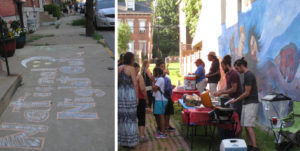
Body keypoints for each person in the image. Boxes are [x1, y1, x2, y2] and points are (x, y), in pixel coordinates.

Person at [230, 58, 260, 151]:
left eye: (237, 68)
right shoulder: (246, 75)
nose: (237, 71)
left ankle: (255, 147)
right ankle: (250, 145)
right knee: (246, 125)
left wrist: (236, 100)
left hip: (251, 103)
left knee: (249, 125)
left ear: (241, 66)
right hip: (246, 103)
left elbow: (247, 93)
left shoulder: (249, 75)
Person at [214, 55, 243, 138]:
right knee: (232, 119)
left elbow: (234, 89)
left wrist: (221, 92)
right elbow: (227, 86)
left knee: (237, 120)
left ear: (226, 65)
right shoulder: (228, 74)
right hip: (231, 100)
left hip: (237, 100)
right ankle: (232, 137)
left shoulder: (233, 74)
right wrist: (220, 90)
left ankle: (238, 139)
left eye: (222, 66)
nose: (222, 69)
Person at [118, 52, 139, 148]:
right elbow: (135, 83)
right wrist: (136, 97)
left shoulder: (119, 68)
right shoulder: (131, 69)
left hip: (121, 94)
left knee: (122, 117)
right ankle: (131, 142)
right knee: (131, 118)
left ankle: (123, 141)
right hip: (129, 94)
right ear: (130, 59)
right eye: (133, 59)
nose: (134, 61)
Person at [157, 61, 175, 132]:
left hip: (167, 95)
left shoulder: (165, 75)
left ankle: (167, 125)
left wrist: (171, 86)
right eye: (161, 67)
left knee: (168, 112)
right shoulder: (158, 76)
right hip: (163, 96)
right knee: (163, 113)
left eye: (163, 67)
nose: (163, 68)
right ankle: (162, 127)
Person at [134, 63, 149, 143]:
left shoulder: (127, 75)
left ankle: (131, 136)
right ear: (136, 68)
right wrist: (146, 99)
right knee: (141, 118)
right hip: (140, 99)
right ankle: (142, 136)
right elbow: (143, 89)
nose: (139, 70)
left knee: (132, 119)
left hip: (130, 100)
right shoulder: (138, 76)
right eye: (138, 68)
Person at [152, 67, 168, 138]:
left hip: (160, 100)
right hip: (160, 99)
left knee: (161, 116)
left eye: (154, 72)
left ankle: (163, 133)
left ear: (157, 73)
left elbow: (154, 88)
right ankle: (162, 131)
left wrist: (153, 82)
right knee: (160, 115)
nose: (153, 74)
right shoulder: (160, 79)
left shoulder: (160, 79)